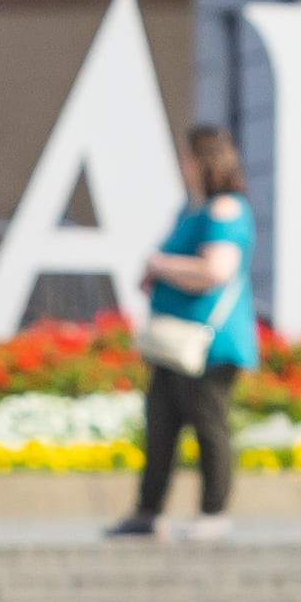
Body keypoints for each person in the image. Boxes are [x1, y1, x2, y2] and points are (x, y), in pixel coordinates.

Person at [113, 127, 252, 541]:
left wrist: (160, 266)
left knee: (209, 425)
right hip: (173, 343)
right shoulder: (192, 209)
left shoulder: (224, 210)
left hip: (207, 344)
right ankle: (148, 510)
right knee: (161, 424)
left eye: (187, 158)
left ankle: (214, 513)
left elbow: (215, 271)